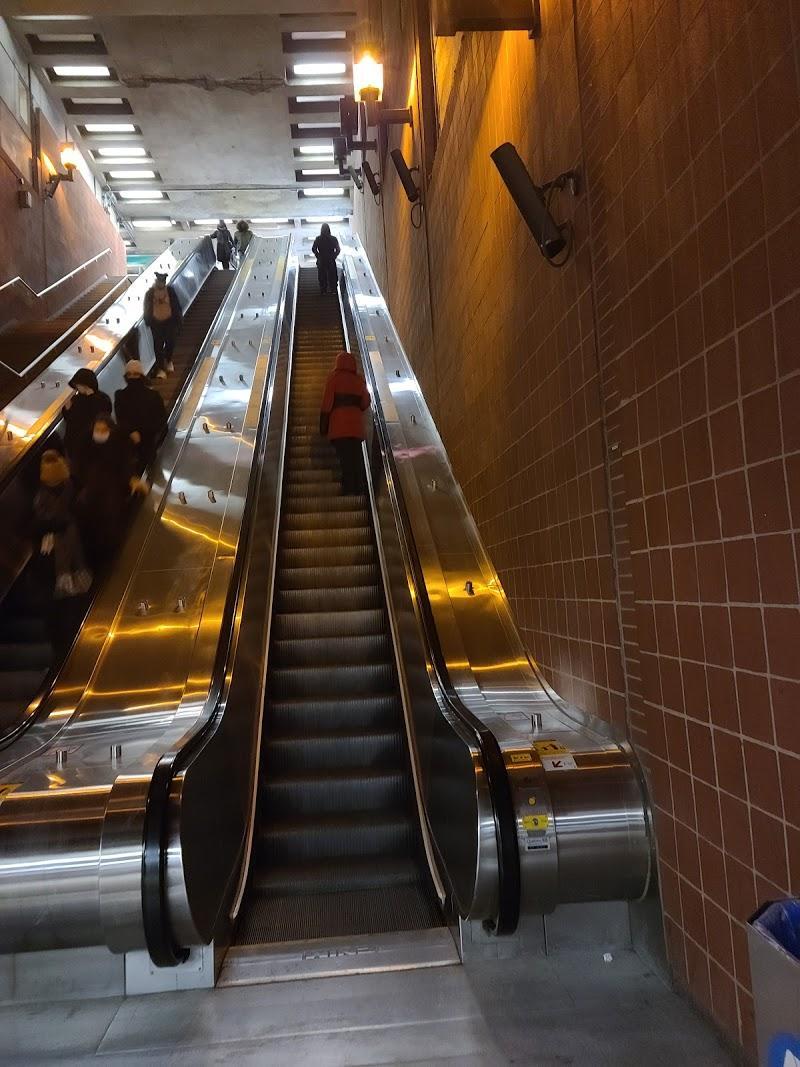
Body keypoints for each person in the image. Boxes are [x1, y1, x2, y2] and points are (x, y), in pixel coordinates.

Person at [75, 414, 148, 569]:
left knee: (110, 524)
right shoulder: (85, 443)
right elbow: (79, 466)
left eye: (104, 430)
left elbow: (124, 465)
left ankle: (110, 556)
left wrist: (130, 479)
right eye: (97, 430)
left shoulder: (118, 443)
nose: (100, 433)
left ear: (110, 430)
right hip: (93, 493)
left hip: (111, 492)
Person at [33, 450, 92, 602]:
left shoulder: (42, 493)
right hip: (70, 526)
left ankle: (66, 587)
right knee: (76, 554)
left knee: (62, 559)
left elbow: (40, 514)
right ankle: (80, 583)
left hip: (56, 530)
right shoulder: (69, 484)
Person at [319, 350, 370, 495]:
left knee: (345, 459)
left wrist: (323, 426)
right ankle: (359, 488)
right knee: (355, 457)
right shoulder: (359, 380)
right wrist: (356, 407)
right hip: (356, 429)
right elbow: (366, 401)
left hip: (338, 429)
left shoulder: (333, 378)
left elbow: (327, 404)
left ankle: (348, 489)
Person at [114, 359, 167, 469]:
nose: (132, 377)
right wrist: (131, 431)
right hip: (128, 445)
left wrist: (147, 434)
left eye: (136, 374)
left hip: (149, 443)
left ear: (141, 376)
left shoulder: (153, 396)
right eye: (129, 374)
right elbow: (120, 418)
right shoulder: (120, 396)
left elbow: (161, 419)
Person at [61, 368, 112, 479]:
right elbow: (70, 419)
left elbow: (102, 419)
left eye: (77, 385)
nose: (76, 388)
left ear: (84, 385)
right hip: (76, 448)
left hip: (91, 447)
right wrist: (67, 408)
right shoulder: (76, 399)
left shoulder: (101, 400)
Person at [143, 271, 183, 379]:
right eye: (160, 281)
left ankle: (169, 360)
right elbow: (147, 307)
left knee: (170, 342)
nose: (161, 283)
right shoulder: (150, 293)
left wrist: (179, 320)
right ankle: (160, 368)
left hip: (169, 321)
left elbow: (176, 305)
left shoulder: (170, 291)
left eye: (163, 282)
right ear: (156, 281)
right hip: (156, 323)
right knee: (158, 345)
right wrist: (148, 320)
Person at [311, 223, 341, 295]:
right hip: (331, 259)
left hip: (321, 259)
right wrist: (334, 256)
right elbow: (338, 249)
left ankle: (323, 290)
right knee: (332, 274)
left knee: (322, 275)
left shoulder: (318, 238)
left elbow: (313, 248)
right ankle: (333, 289)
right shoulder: (333, 239)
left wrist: (318, 255)